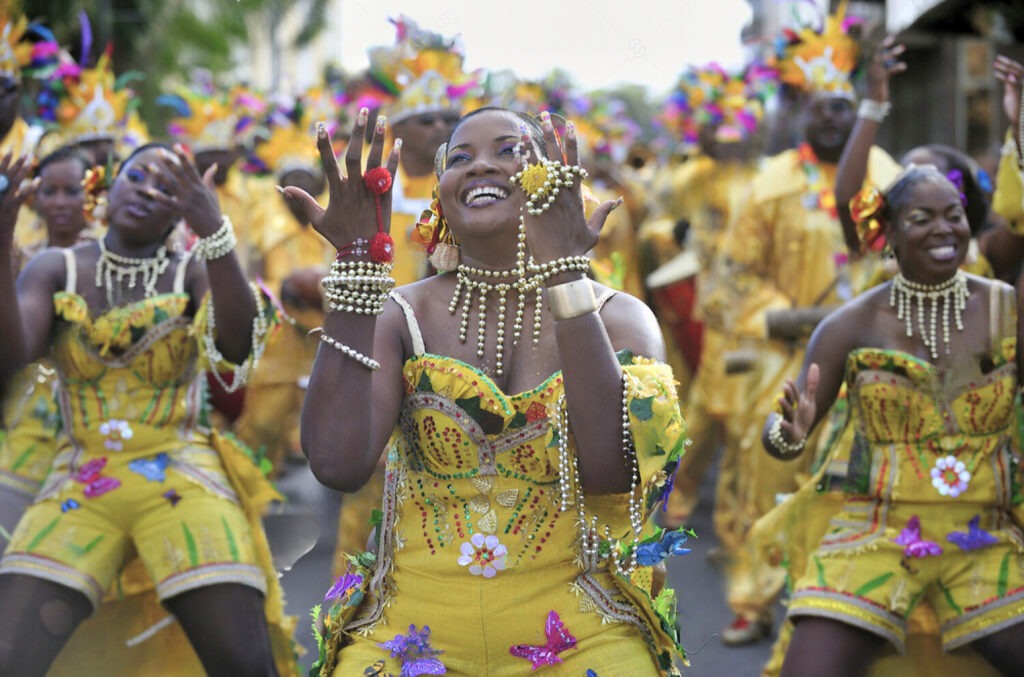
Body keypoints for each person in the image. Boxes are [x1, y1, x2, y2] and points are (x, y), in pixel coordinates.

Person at [288, 106, 689, 675]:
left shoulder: (621, 319)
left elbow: (609, 477)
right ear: (441, 194)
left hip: (583, 628)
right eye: (460, 158)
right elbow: (337, 464)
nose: (480, 167)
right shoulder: (402, 315)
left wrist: (564, 277)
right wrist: (357, 267)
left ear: (555, 177)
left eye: (509, 151)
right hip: (410, 633)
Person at [0, 144, 296, 676]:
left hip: (181, 472)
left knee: (244, 662)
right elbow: (12, 351)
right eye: (137, 176)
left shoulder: (191, 273)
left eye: (168, 188)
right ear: (109, 186)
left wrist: (215, 234)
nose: (147, 190)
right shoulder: (54, 267)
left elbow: (235, 347)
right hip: (81, 478)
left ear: (183, 208)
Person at [764, 163, 1024, 677]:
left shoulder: (1007, 309)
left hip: (985, 535)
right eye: (922, 218)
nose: (943, 229)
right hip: (876, 534)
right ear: (891, 234)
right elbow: (781, 440)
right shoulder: (851, 323)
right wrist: (790, 433)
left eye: (953, 215)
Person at [713, 2, 903, 644]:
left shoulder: (885, 176)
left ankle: (853, 600)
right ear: (800, 113)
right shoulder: (770, 182)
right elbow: (734, 275)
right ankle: (755, 595)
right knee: (768, 465)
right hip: (789, 354)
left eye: (842, 106)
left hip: (874, 354)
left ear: (857, 112)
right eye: (820, 107)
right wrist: (794, 318)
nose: (832, 116)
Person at [0, 145, 99, 535]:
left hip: (95, 421)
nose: (59, 202)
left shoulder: (112, 259)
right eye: (49, 190)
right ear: (34, 197)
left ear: (93, 192)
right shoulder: (16, 259)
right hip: (23, 419)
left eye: (71, 191)